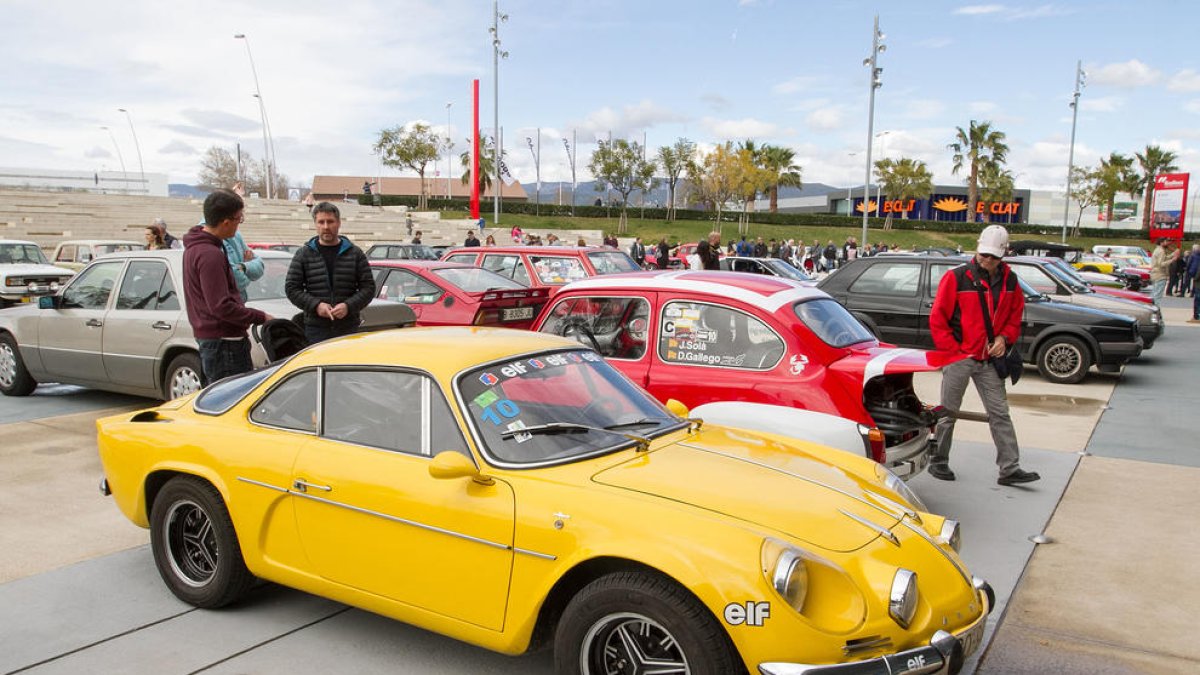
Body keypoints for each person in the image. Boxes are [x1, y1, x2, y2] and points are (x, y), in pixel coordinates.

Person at [929, 224, 1040, 487]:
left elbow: (1015, 316)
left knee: (1000, 413)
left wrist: (1003, 338)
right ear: (978, 249)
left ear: (1003, 255)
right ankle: (939, 460)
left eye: (993, 257)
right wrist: (953, 352)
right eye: (984, 255)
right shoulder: (956, 278)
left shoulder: (1011, 282)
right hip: (960, 356)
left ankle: (1010, 468)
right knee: (948, 411)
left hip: (989, 358)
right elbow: (938, 319)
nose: (987, 260)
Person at [182, 189, 271, 385]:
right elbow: (221, 306)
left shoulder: (198, 248)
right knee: (231, 399)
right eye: (239, 219)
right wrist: (260, 316)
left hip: (218, 341)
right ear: (226, 222)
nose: (239, 225)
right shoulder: (209, 254)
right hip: (225, 344)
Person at [285, 202, 376, 344]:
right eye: (321, 222)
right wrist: (316, 305)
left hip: (348, 328)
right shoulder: (304, 254)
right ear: (315, 224)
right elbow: (292, 288)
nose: (326, 227)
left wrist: (348, 306)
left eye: (330, 221)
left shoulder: (355, 253)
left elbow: (368, 288)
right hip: (316, 329)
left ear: (339, 223)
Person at [223, 230, 264, 301]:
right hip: (226, 305)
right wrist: (248, 272)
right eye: (239, 219)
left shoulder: (236, 235)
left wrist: (244, 267)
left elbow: (260, 265)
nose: (239, 223)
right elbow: (237, 281)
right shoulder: (211, 240)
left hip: (239, 302)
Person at [1149, 239, 1179, 304]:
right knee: (1158, 296)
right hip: (1160, 275)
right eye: (1166, 241)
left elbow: (1163, 259)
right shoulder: (1161, 251)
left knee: (1154, 294)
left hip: (1155, 274)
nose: (1168, 243)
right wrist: (1172, 260)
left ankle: (1152, 309)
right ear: (1161, 242)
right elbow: (1161, 264)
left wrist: (1172, 255)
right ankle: (1156, 310)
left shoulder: (1157, 250)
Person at [1188, 244, 1200, 323]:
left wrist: (1194, 276)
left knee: (1198, 298)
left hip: (1198, 280)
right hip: (1197, 278)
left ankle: (1196, 316)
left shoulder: (1193, 255)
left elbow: (1190, 265)